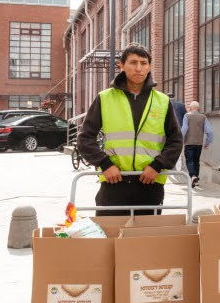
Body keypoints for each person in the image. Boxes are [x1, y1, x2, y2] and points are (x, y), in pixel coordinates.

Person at [78, 44, 183, 216]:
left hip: (149, 182)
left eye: (143, 63)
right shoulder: (105, 98)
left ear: (149, 66)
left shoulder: (162, 101)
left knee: (145, 240)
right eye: (133, 62)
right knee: (110, 237)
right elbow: (85, 139)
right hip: (114, 182)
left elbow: (176, 140)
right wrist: (105, 164)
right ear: (121, 65)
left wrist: (158, 165)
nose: (139, 68)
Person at [181, 100, 213, 187]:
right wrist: (207, 143)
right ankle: (196, 180)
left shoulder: (187, 116)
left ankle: (193, 176)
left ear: (190, 108)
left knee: (189, 160)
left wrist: (179, 139)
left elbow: (184, 129)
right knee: (196, 161)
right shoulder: (203, 117)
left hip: (188, 143)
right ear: (198, 108)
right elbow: (209, 132)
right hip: (199, 144)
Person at [168, 92, 187, 171]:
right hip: (179, 130)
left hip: (168, 130)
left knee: (168, 147)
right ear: (174, 97)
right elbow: (185, 117)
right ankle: (179, 167)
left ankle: (170, 164)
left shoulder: (165, 104)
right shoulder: (181, 105)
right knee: (179, 148)